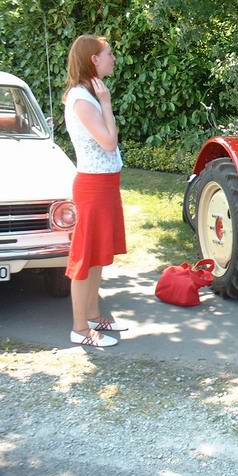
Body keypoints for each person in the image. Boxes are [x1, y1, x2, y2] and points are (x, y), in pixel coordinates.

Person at [63, 34, 127, 347]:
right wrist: (106, 104)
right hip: (92, 186)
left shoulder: (89, 93)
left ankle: (92, 316)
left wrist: (102, 101)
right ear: (94, 60)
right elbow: (109, 141)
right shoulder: (81, 98)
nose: (113, 58)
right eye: (109, 54)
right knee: (85, 258)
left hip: (105, 183)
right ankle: (79, 329)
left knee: (98, 256)